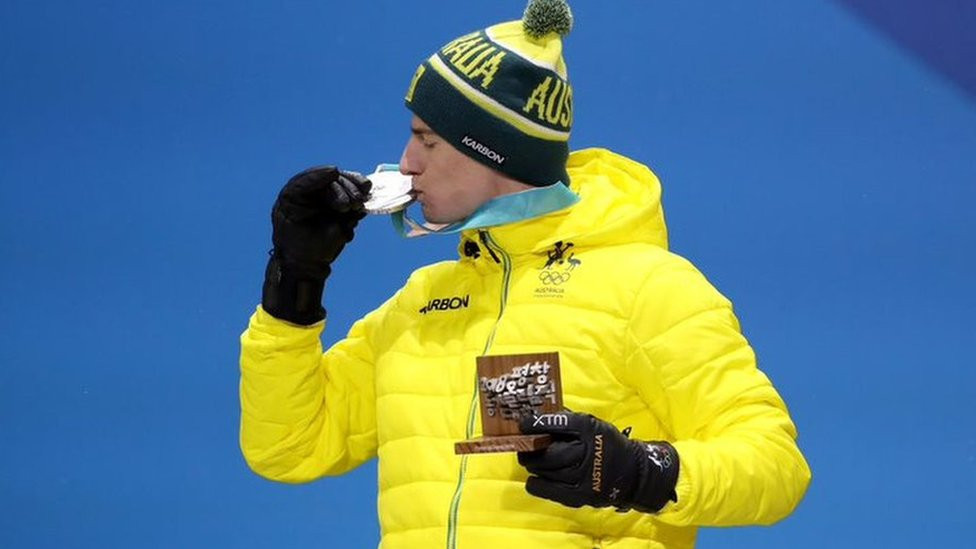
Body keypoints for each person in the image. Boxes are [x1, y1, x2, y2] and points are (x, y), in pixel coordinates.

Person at [239, 1, 811, 547]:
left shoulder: (647, 289)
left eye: (427, 141)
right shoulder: (424, 303)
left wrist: (641, 471)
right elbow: (289, 446)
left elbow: (776, 467)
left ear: (494, 153)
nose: (407, 162)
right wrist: (295, 282)